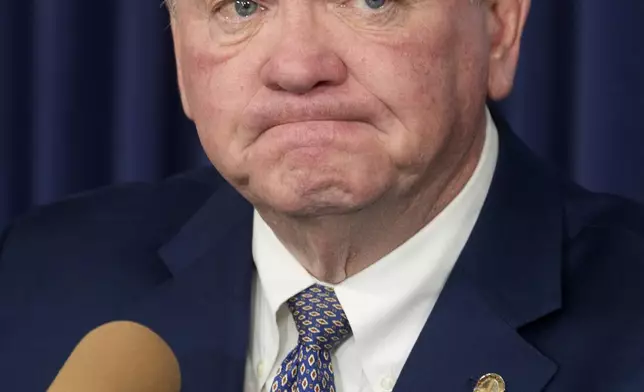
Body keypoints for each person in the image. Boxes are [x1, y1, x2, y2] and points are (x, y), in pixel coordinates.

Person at [0, 0, 643, 390]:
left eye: (370, 1)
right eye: (243, 5)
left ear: (498, 26)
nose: (299, 66)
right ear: (180, 59)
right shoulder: (35, 282)